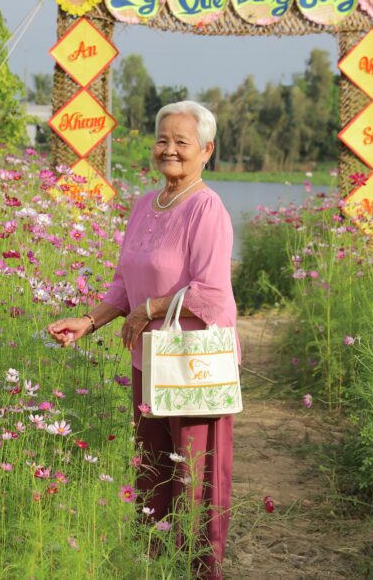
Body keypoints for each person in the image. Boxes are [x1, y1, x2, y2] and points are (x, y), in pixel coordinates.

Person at [47, 101, 238, 579]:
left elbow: (211, 293)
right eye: (162, 140)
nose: (169, 150)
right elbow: (123, 283)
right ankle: (152, 567)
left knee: (196, 479)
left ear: (206, 151)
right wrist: (89, 321)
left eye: (182, 142)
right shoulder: (144, 204)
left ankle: (200, 570)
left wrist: (150, 309)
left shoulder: (206, 207)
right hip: (149, 361)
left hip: (194, 364)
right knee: (151, 470)